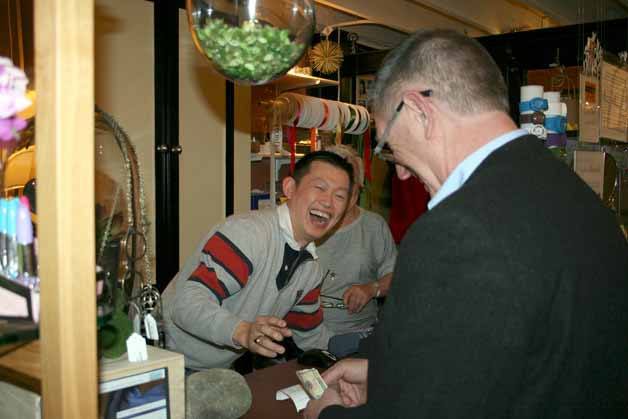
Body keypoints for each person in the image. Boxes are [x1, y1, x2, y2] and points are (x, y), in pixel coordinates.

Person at [305, 29, 628, 419]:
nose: (402, 174)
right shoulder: (573, 193)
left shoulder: (457, 228)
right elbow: (507, 357)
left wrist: (325, 414)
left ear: (419, 112)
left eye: (388, 144)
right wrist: (388, 372)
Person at [162, 151, 354, 370]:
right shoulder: (249, 234)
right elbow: (185, 304)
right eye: (319, 188)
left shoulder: (310, 269)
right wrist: (242, 331)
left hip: (214, 370)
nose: (328, 202)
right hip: (163, 359)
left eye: (340, 196)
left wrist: (358, 353)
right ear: (290, 188)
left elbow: (310, 335)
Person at [316, 144, 397, 357]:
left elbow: (397, 276)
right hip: (307, 337)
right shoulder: (309, 222)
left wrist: (372, 288)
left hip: (356, 337)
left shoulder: (373, 226)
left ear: (358, 189)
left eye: (345, 189)